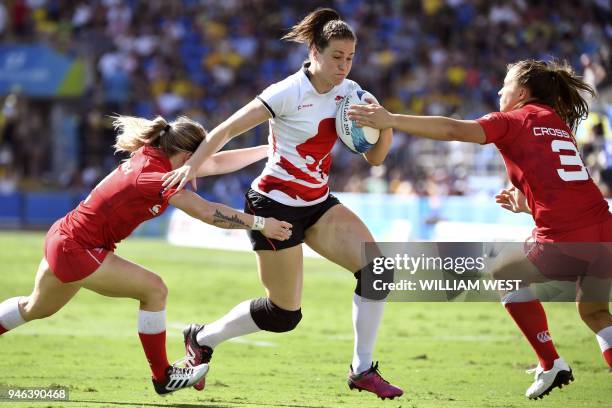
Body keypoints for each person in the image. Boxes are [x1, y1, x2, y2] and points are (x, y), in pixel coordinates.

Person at [162, 8, 403, 400]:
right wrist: (191, 167)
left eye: (350, 57)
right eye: (336, 57)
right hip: (272, 206)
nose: (344, 66)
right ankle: (202, 337)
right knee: (283, 315)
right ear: (315, 51)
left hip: (318, 204)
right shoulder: (286, 92)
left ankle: (362, 369)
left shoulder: (352, 94)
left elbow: (374, 158)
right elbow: (226, 129)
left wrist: (385, 123)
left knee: (377, 271)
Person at [348, 59, 612, 399]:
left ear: (523, 93)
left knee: (503, 270)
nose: (500, 91)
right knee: (594, 311)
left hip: (567, 236)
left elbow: (455, 131)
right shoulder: (555, 123)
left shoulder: (512, 120)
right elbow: (565, 187)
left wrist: (392, 119)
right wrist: (528, 204)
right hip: (604, 231)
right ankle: (552, 363)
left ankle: (550, 363)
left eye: (506, 84)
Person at [0, 115, 292, 395]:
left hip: (64, 237)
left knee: (34, 308)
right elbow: (206, 211)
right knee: (154, 289)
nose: (206, 161)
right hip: (78, 249)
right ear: (189, 155)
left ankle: (163, 376)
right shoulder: (155, 175)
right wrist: (261, 224)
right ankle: (163, 377)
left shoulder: (159, 156)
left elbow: (215, 163)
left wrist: (273, 150)